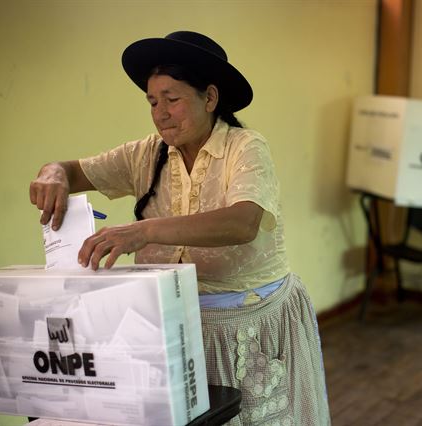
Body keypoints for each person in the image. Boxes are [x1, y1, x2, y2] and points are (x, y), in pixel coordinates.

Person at [29, 31, 330, 425]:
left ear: (209, 98)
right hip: (170, 328)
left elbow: (243, 222)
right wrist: (53, 174)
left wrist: (145, 231)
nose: (160, 113)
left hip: (246, 330)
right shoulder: (144, 155)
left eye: (172, 99)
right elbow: (70, 170)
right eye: (153, 102)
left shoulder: (244, 147)